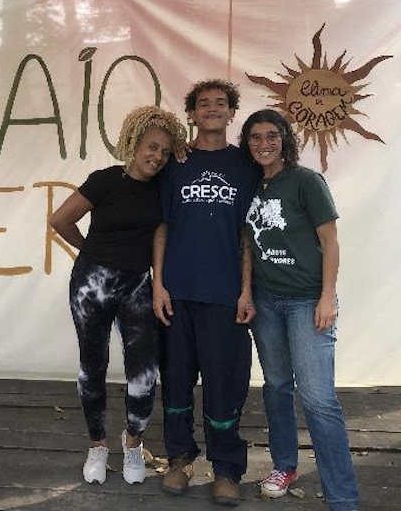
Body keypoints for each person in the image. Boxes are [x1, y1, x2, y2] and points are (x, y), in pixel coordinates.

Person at [51, 105, 187, 486]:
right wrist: (89, 251)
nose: (157, 156)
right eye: (152, 147)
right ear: (134, 142)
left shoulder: (163, 187)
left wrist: (180, 146)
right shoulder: (106, 180)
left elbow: (161, 230)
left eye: (165, 151)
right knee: (92, 367)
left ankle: (132, 443)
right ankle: (97, 446)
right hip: (91, 285)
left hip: (137, 285)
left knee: (144, 374)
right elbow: (60, 219)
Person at [239, 108, 359, 511]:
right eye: (255, 137)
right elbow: (247, 243)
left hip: (307, 300)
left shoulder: (306, 181)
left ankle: (342, 496)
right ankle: (284, 466)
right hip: (266, 300)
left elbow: (330, 241)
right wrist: (247, 293)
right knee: (276, 386)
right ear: (247, 143)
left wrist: (328, 296)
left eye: (272, 136)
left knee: (319, 399)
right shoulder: (250, 185)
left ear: (285, 139)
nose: (264, 144)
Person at [152, 80, 259, 506]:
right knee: (176, 383)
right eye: (203, 103)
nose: (212, 108)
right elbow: (162, 226)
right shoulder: (174, 163)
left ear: (232, 113)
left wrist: (246, 290)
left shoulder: (246, 165)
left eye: (221, 103)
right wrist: (158, 283)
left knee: (224, 387)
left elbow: (248, 234)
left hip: (225, 296)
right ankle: (179, 459)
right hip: (177, 293)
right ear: (192, 114)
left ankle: (227, 468)